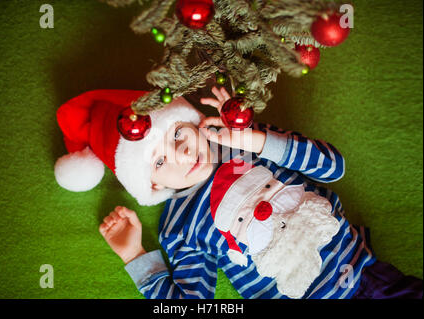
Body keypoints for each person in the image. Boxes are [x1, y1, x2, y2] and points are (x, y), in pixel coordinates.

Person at [55, 87, 423, 299]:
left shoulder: (244, 140)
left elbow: (333, 166)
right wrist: (134, 254)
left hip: (368, 274)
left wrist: (257, 139)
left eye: (178, 133)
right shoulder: (180, 228)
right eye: (159, 162)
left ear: (194, 120)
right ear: (153, 186)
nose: (182, 153)